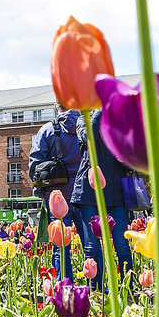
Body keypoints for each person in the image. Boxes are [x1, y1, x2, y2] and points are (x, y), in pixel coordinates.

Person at [71, 109, 134, 290]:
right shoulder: (84, 119)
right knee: (92, 246)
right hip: (89, 191)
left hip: (116, 191)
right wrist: (98, 114)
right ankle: (96, 290)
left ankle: (128, 289)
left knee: (122, 243)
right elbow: (86, 139)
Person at [29, 105, 82, 279]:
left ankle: (64, 286)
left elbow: (35, 165)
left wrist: (42, 192)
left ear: (55, 106)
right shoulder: (88, 128)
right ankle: (97, 289)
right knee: (91, 244)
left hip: (57, 196)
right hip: (85, 194)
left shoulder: (47, 130)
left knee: (60, 245)